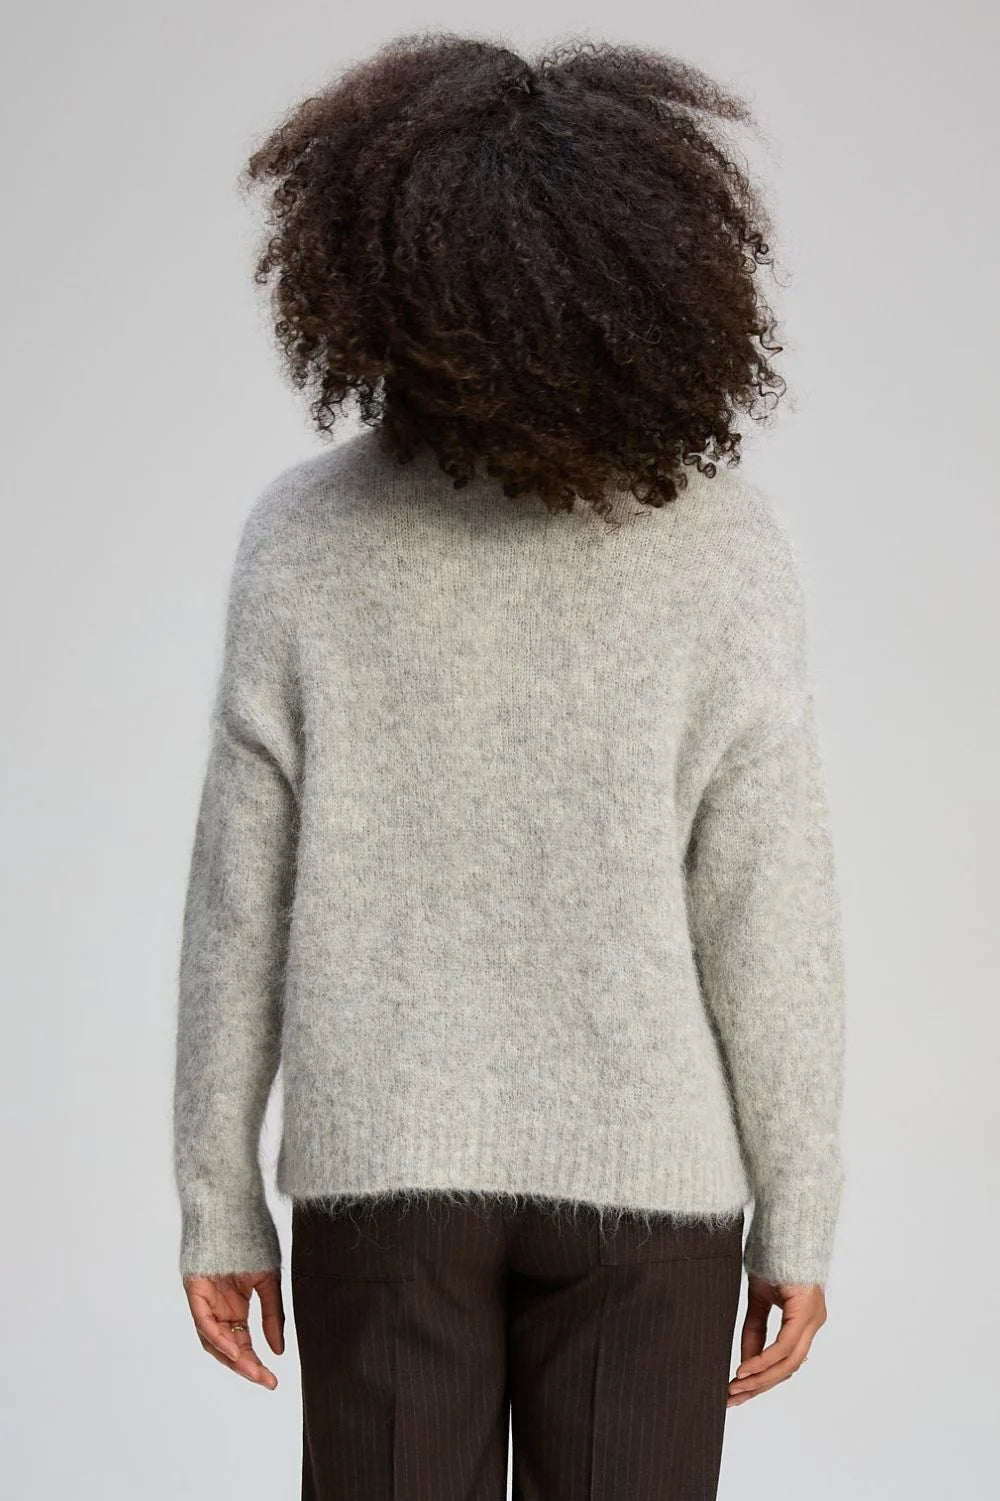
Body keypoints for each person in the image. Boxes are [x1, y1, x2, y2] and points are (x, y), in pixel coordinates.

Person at [172, 30, 846, 1501]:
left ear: (377, 277)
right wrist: (801, 1209)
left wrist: (219, 1198)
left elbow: (238, 904)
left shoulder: (303, 541)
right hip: (654, 1184)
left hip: (383, 1175)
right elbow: (769, 907)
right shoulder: (723, 549)